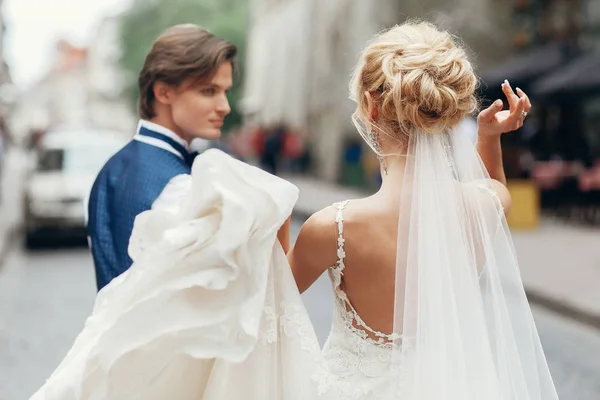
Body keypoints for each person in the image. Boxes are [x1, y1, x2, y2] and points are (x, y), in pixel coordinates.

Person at [33, 22, 558, 400]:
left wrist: (271, 216)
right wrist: (489, 138)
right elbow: (493, 183)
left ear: (372, 108)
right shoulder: (485, 206)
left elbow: (269, 299)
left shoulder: (337, 226)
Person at [86, 24, 236, 290]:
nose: (224, 106)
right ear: (164, 92)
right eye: (208, 91)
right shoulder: (178, 185)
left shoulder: (114, 166)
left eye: (225, 91)